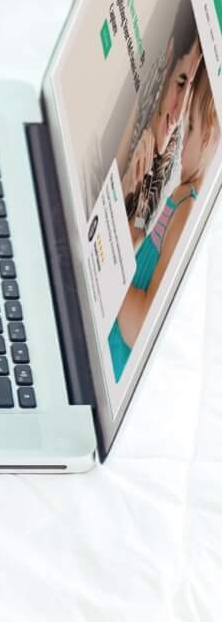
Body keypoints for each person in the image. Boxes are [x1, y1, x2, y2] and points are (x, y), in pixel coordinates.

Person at [110, 36, 213, 377]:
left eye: (192, 126)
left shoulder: (186, 206)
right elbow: (140, 247)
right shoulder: (177, 193)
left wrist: (109, 276)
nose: (182, 131)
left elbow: (140, 327)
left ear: (209, 135)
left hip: (113, 356)